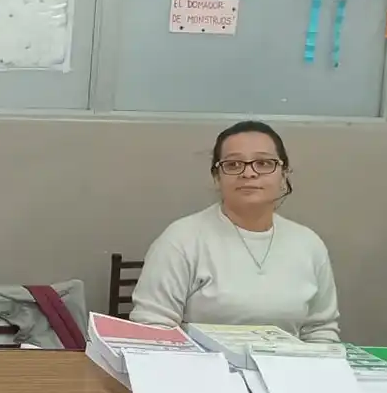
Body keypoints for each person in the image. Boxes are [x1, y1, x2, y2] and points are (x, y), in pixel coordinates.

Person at [130, 120, 339, 342]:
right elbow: (152, 327)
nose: (249, 173)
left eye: (264, 163)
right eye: (233, 165)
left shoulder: (308, 243)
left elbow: (320, 330)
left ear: (284, 173)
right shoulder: (181, 240)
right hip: (200, 373)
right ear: (217, 177)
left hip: (287, 374)